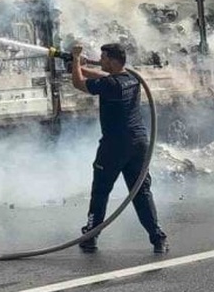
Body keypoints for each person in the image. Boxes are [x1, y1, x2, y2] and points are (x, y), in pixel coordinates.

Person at [69, 44, 168, 254]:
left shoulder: (110, 85)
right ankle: (158, 238)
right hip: (138, 143)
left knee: (101, 191)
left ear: (113, 61)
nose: (101, 60)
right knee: (141, 192)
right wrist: (80, 66)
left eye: (104, 58)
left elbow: (78, 83)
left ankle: (90, 236)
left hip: (114, 145)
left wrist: (76, 59)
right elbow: (103, 76)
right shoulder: (131, 79)